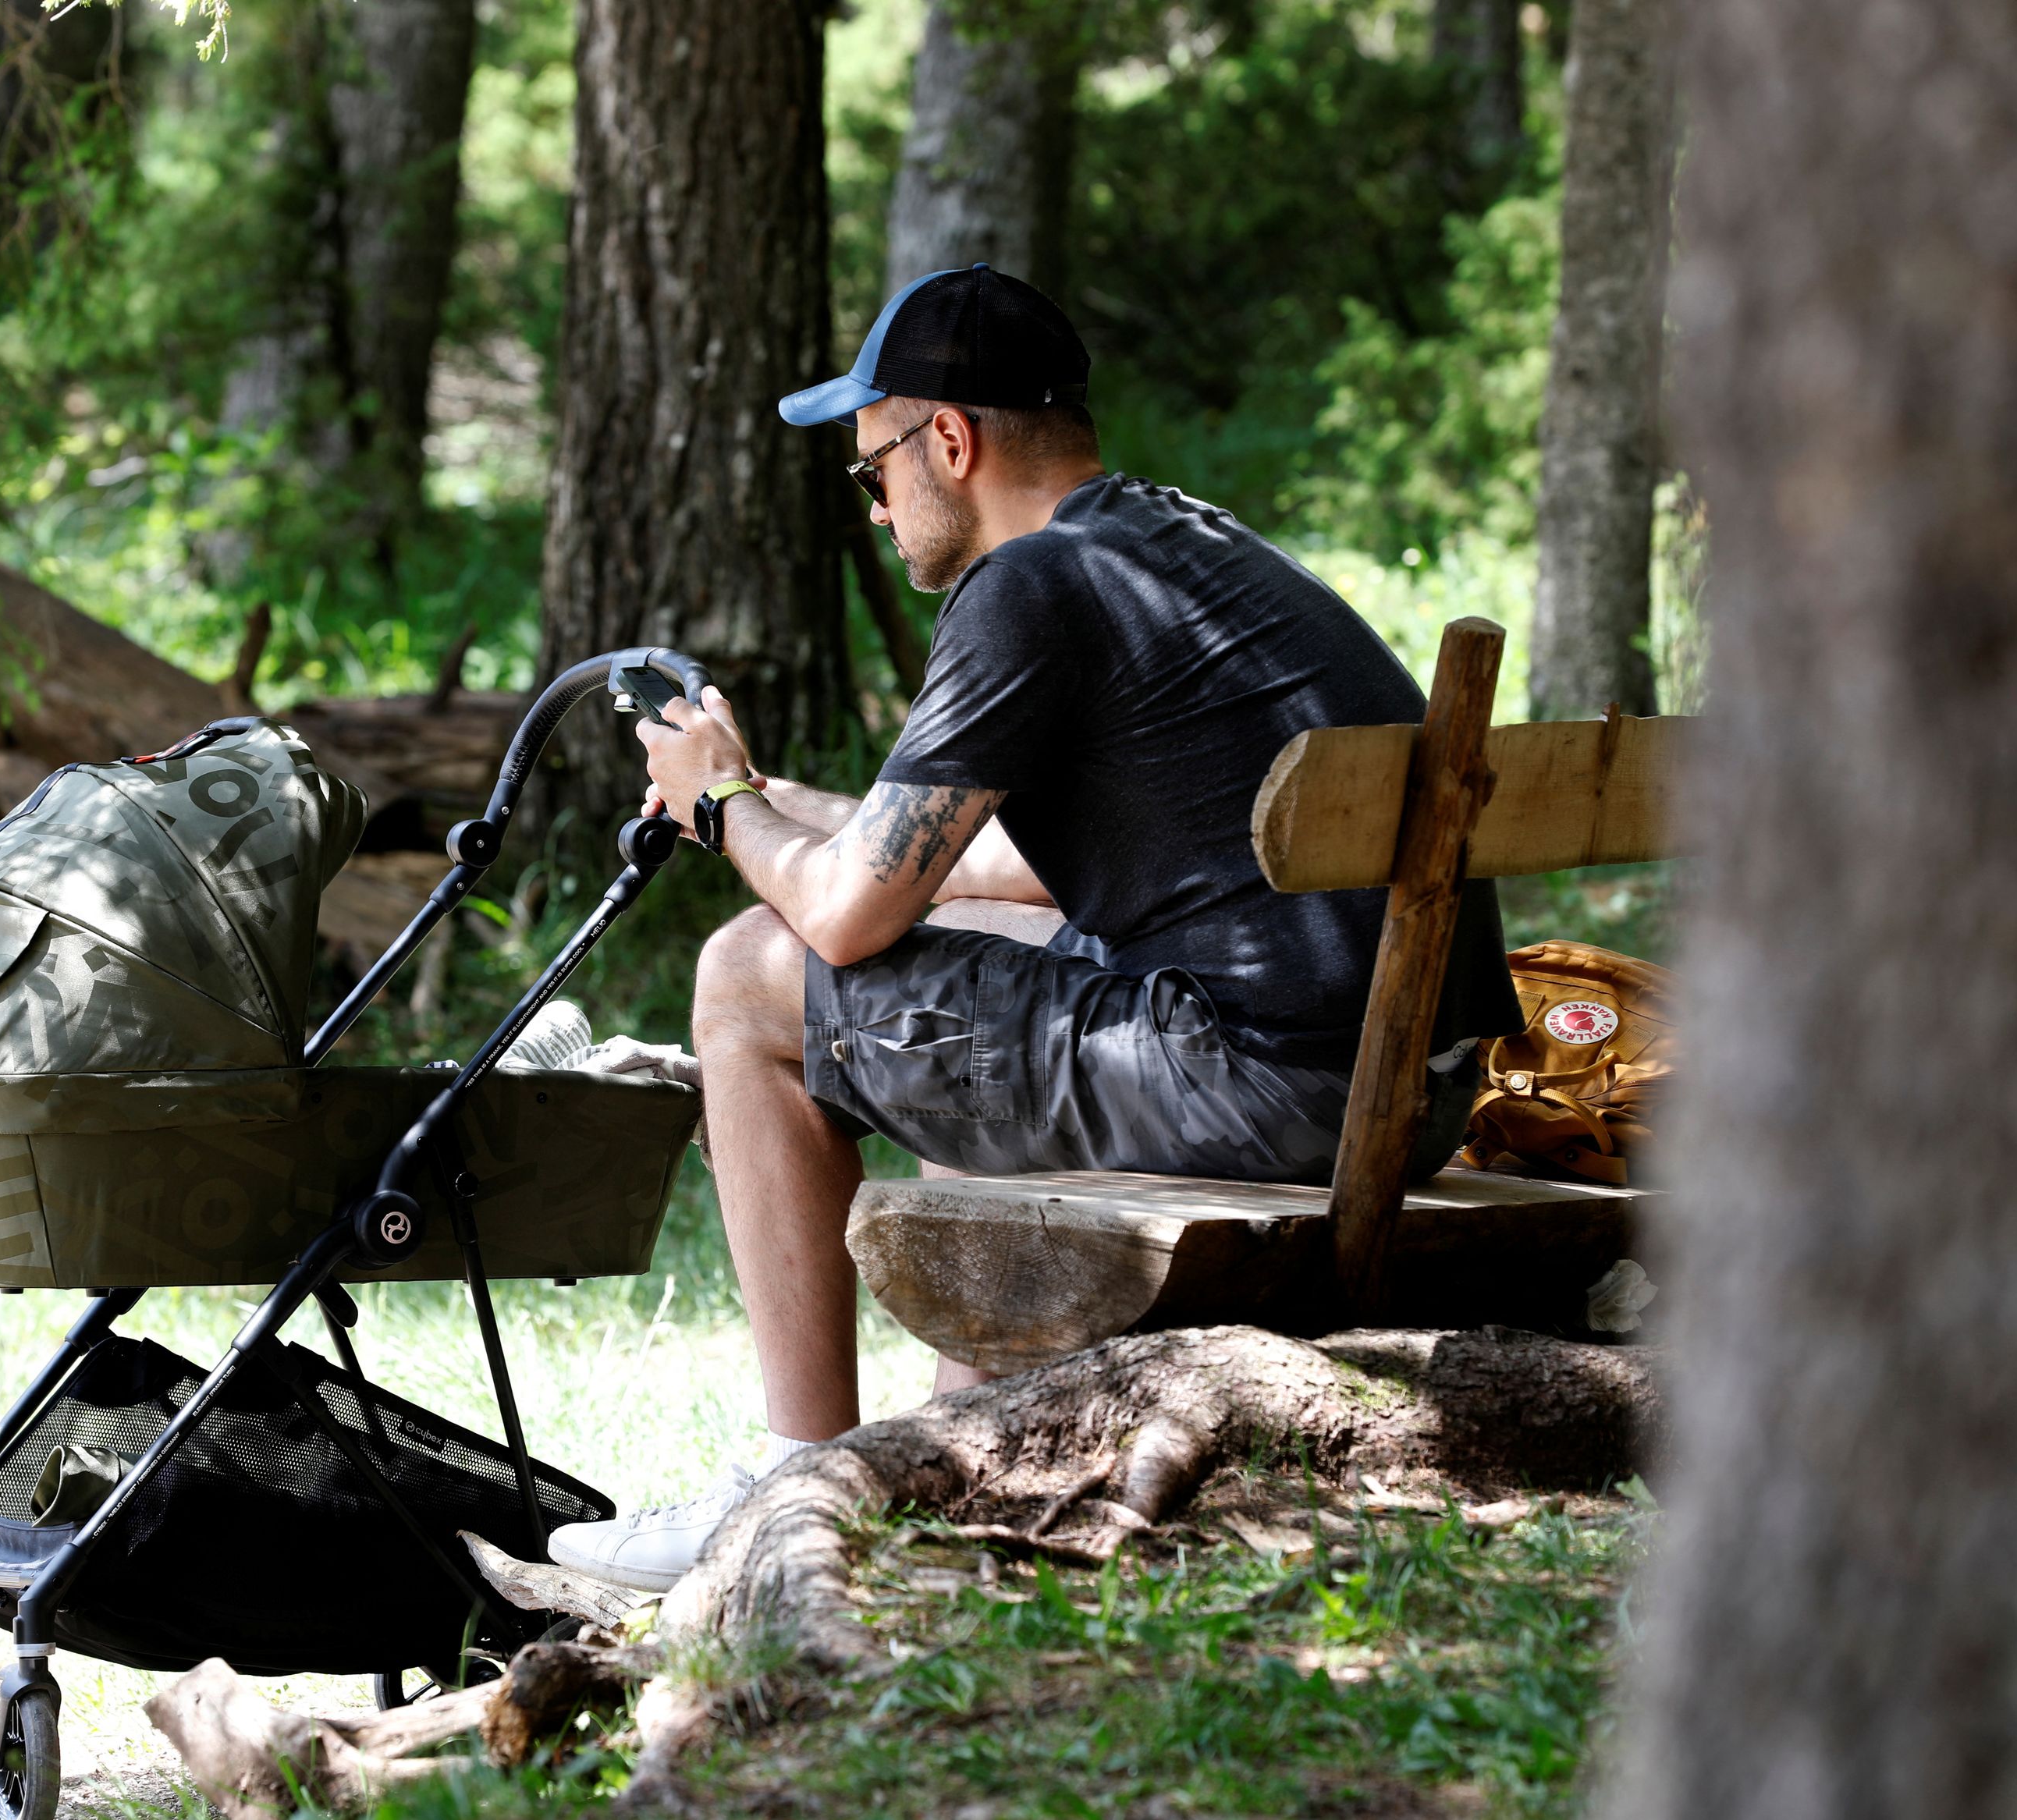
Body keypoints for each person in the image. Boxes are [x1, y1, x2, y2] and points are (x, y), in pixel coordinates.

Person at [545, 265, 1519, 1593]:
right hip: (1415, 1084)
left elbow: (841, 918)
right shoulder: (1176, 549)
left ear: (948, 440)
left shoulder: (1027, 588)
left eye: (873, 468)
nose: (874, 505)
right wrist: (777, 801)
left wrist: (720, 807)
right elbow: (980, 864)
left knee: (747, 975)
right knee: (959, 953)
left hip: (1276, 1088)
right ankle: (956, 1449)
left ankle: (787, 1484)